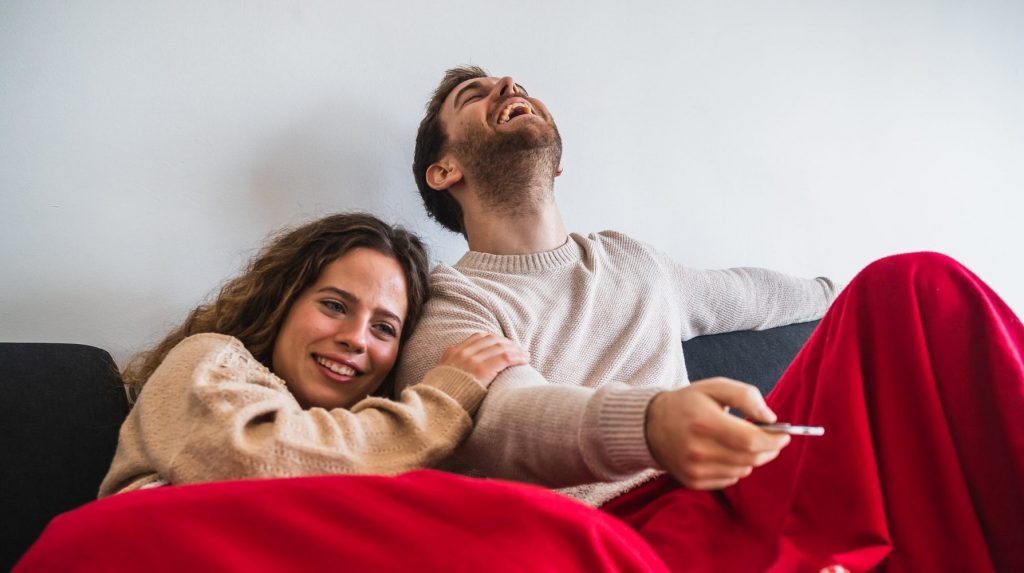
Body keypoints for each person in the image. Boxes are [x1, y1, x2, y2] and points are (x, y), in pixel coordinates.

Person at [396, 66, 1024, 571]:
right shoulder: (456, 304)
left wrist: (841, 296)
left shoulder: (631, 259)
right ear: (444, 171)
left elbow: (754, 294)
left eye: (519, 85)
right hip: (625, 528)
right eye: (475, 95)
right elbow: (507, 422)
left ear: (557, 163)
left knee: (912, 284)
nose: (510, 87)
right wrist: (652, 425)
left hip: (739, 486)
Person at [99, 212, 529, 496]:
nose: (357, 339)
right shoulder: (207, 358)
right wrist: (442, 403)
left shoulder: (376, 457)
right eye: (335, 306)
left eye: (383, 328)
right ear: (281, 301)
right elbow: (256, 461)